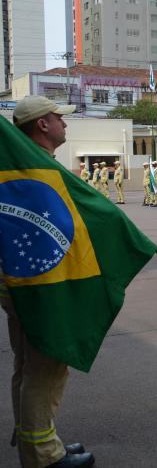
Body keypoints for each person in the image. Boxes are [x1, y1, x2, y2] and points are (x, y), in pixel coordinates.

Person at [3, 95, 94, 467]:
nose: (64, 123)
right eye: (59, 117)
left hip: (26, 282)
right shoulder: (35, 169)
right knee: (46, 365)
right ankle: (43, 455)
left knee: (27, 364)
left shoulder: (23, 165)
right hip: (40, 284)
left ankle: (36, 439)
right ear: (42, 124)